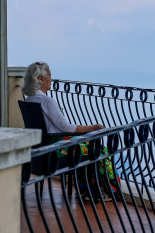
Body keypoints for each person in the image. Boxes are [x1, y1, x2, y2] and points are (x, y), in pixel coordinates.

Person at [22, 61, 118, 202]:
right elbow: (66, 128)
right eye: (49, 76)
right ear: (40, 79)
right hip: (57, 150)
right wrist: (93, 128)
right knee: (99, 150)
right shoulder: (47, 101)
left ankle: (87, 190)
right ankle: (108, 191)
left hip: (41, 150)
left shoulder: (30, 99)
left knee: (85, 148)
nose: (51, 80)